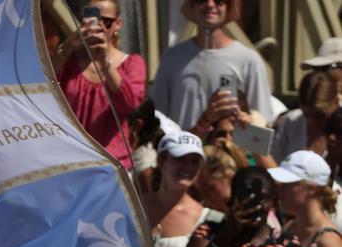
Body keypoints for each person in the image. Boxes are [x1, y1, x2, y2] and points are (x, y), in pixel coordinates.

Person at [150, 0, 272, 132]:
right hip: (183, 151)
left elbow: (262, 122)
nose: (209, 5)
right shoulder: (172, 58)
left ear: (228, 7)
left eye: (219, 0)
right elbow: (156, 117)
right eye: (201, 0)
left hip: (230, 151)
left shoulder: (249, 59)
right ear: (192, 5)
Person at [55, 0, 146, 169]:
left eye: (107, 21)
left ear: (118, 24)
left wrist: (104, 61)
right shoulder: (69, 62)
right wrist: (67, 47)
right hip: (71, 161)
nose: (100, 26)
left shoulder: (133, 63)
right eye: (93, 20)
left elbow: (130, 103)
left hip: (111, 165)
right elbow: (43, 85)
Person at [272, 70, 340, 164]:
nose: (311, 122)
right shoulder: (290, 121)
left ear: (336, 101)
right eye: (306, 115)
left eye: (320, 116)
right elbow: (276, 167)